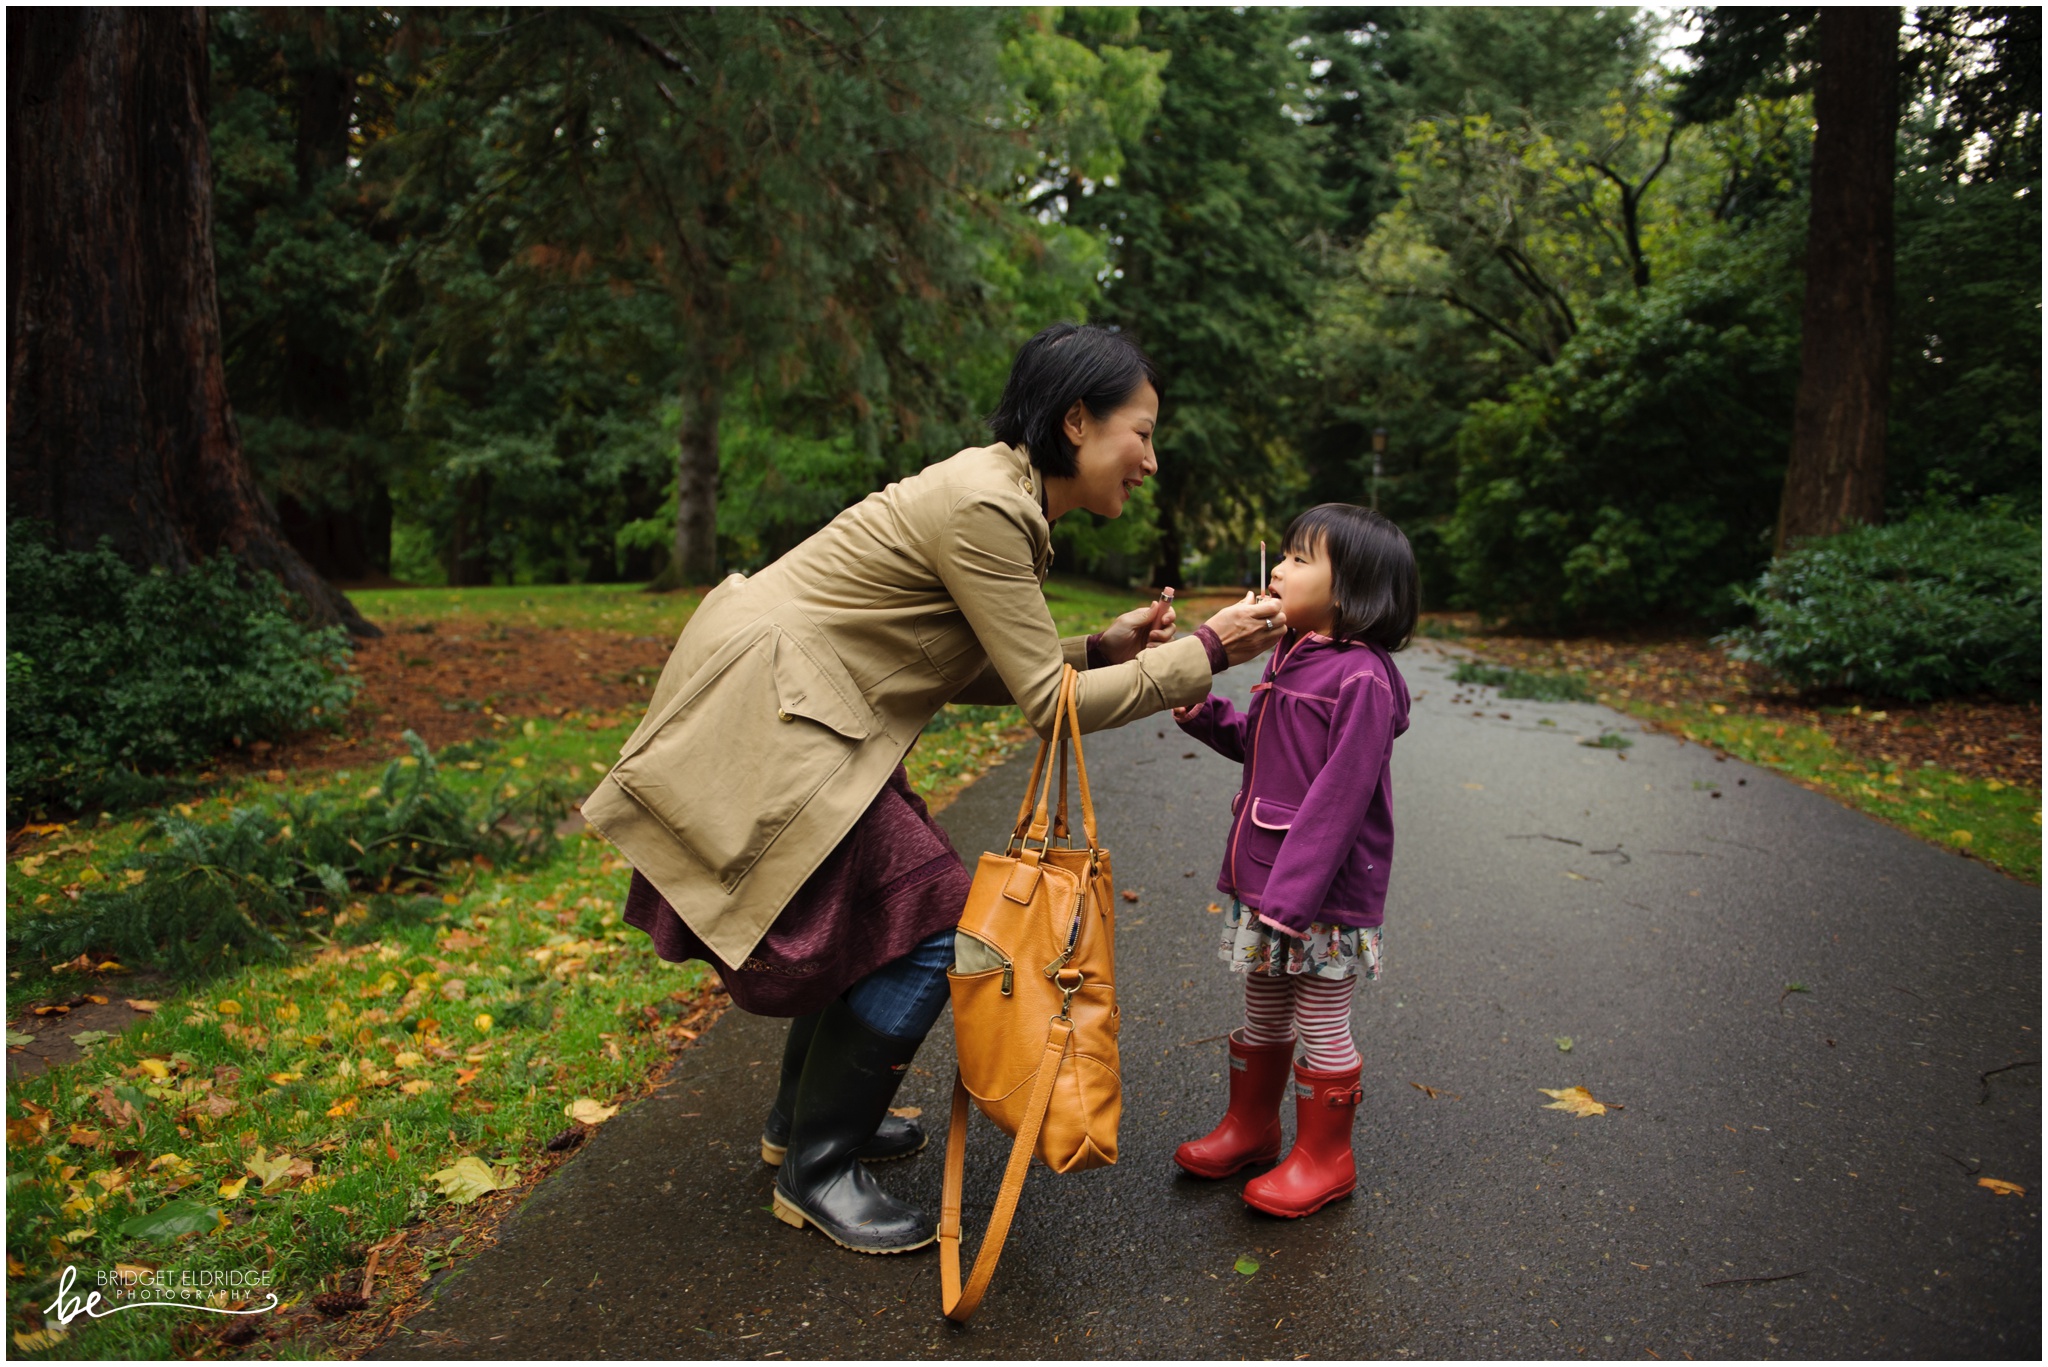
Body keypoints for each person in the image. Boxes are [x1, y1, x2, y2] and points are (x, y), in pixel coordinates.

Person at [581, 323, 1288, 1254]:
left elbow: (972, 664)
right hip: (783, 712)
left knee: (894, 910)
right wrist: (1206, 652)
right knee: (937, 926)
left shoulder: (1001, 496)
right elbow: (1051, 706)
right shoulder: (988, 507)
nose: (1151, 460)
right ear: (1077, 422)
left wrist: (1099, 649)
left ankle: (803, 1124)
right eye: (1142, 432)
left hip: (813, 706)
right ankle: (819, 1167)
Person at [1169, 503, 1418, 1218]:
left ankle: (1325, 1157)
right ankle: (1251, 1128)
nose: (1278, 568)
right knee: (1264, 1001)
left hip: (1320, 895)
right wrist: (1201, 711)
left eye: (1300, 558)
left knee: (1319, 1015)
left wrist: (1292, 902)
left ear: (1353, 591)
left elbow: (1340, 798)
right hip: (1269, 879)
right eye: (1282, 553)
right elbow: (1265, 744)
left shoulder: (1362, 679)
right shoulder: (1294, 656)